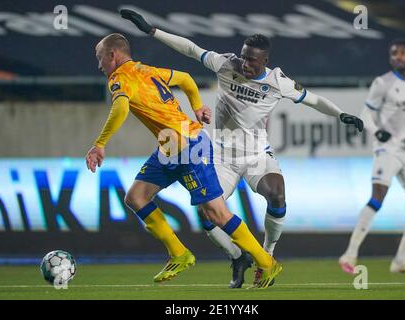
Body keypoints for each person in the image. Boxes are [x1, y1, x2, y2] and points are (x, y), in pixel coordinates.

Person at [119, 10, 364, 288]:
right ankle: (237, 257)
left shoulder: (277, 82)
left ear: (265, 62)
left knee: (277, 195)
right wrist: (152, 30)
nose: (245, 63)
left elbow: (313, 99)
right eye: (244, 56)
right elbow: (191, 48)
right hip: (222, 156)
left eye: (252, 60)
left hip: (257, 155)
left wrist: (341, 114)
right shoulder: (226, 64)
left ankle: (267, 255)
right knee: (208, 213)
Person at [86, 33, 282, 289]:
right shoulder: (147, 70)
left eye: (100, 58)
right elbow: (187, 79)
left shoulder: (120, 77)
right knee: (136, 197)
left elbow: (121, 108)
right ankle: (179, 253)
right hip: (170, 146)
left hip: (189, 146)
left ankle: (266, 263)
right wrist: (198, 107)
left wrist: (99, 144)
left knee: (216, 213)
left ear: (112, 55)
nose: (99, 65)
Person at [339, 40, 405, 274]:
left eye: (402, 53)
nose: (397, 57)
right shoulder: (382, 83)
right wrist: (377, 130)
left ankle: (400, 261)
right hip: (387, 148)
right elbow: (366, 114)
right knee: (378, 198)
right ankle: (349, 254)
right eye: (393, 55)